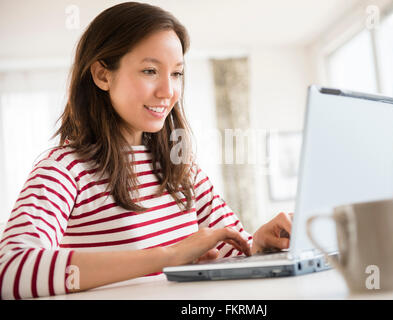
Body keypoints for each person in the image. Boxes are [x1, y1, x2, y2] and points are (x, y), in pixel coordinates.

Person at [0, 2, 292, 300]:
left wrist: (261, 244)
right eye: (150, 70)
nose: (168, 91)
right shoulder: (63, 168)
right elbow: (11, 271)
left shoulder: (181, 166)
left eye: (177, 73)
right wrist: (168, 257)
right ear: (102, 75)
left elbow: (236, 248)